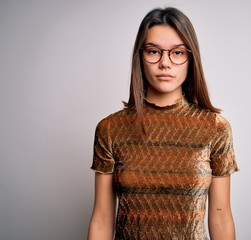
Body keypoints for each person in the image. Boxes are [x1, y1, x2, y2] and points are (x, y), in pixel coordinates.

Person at [87, 7, 239, 240]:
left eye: (177, 53)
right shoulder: (110, 129)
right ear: (140, 56)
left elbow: (221, 217)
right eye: (154, 51)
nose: (165, 63)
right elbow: (102, 219)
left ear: (191, 58)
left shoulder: (216, 128)